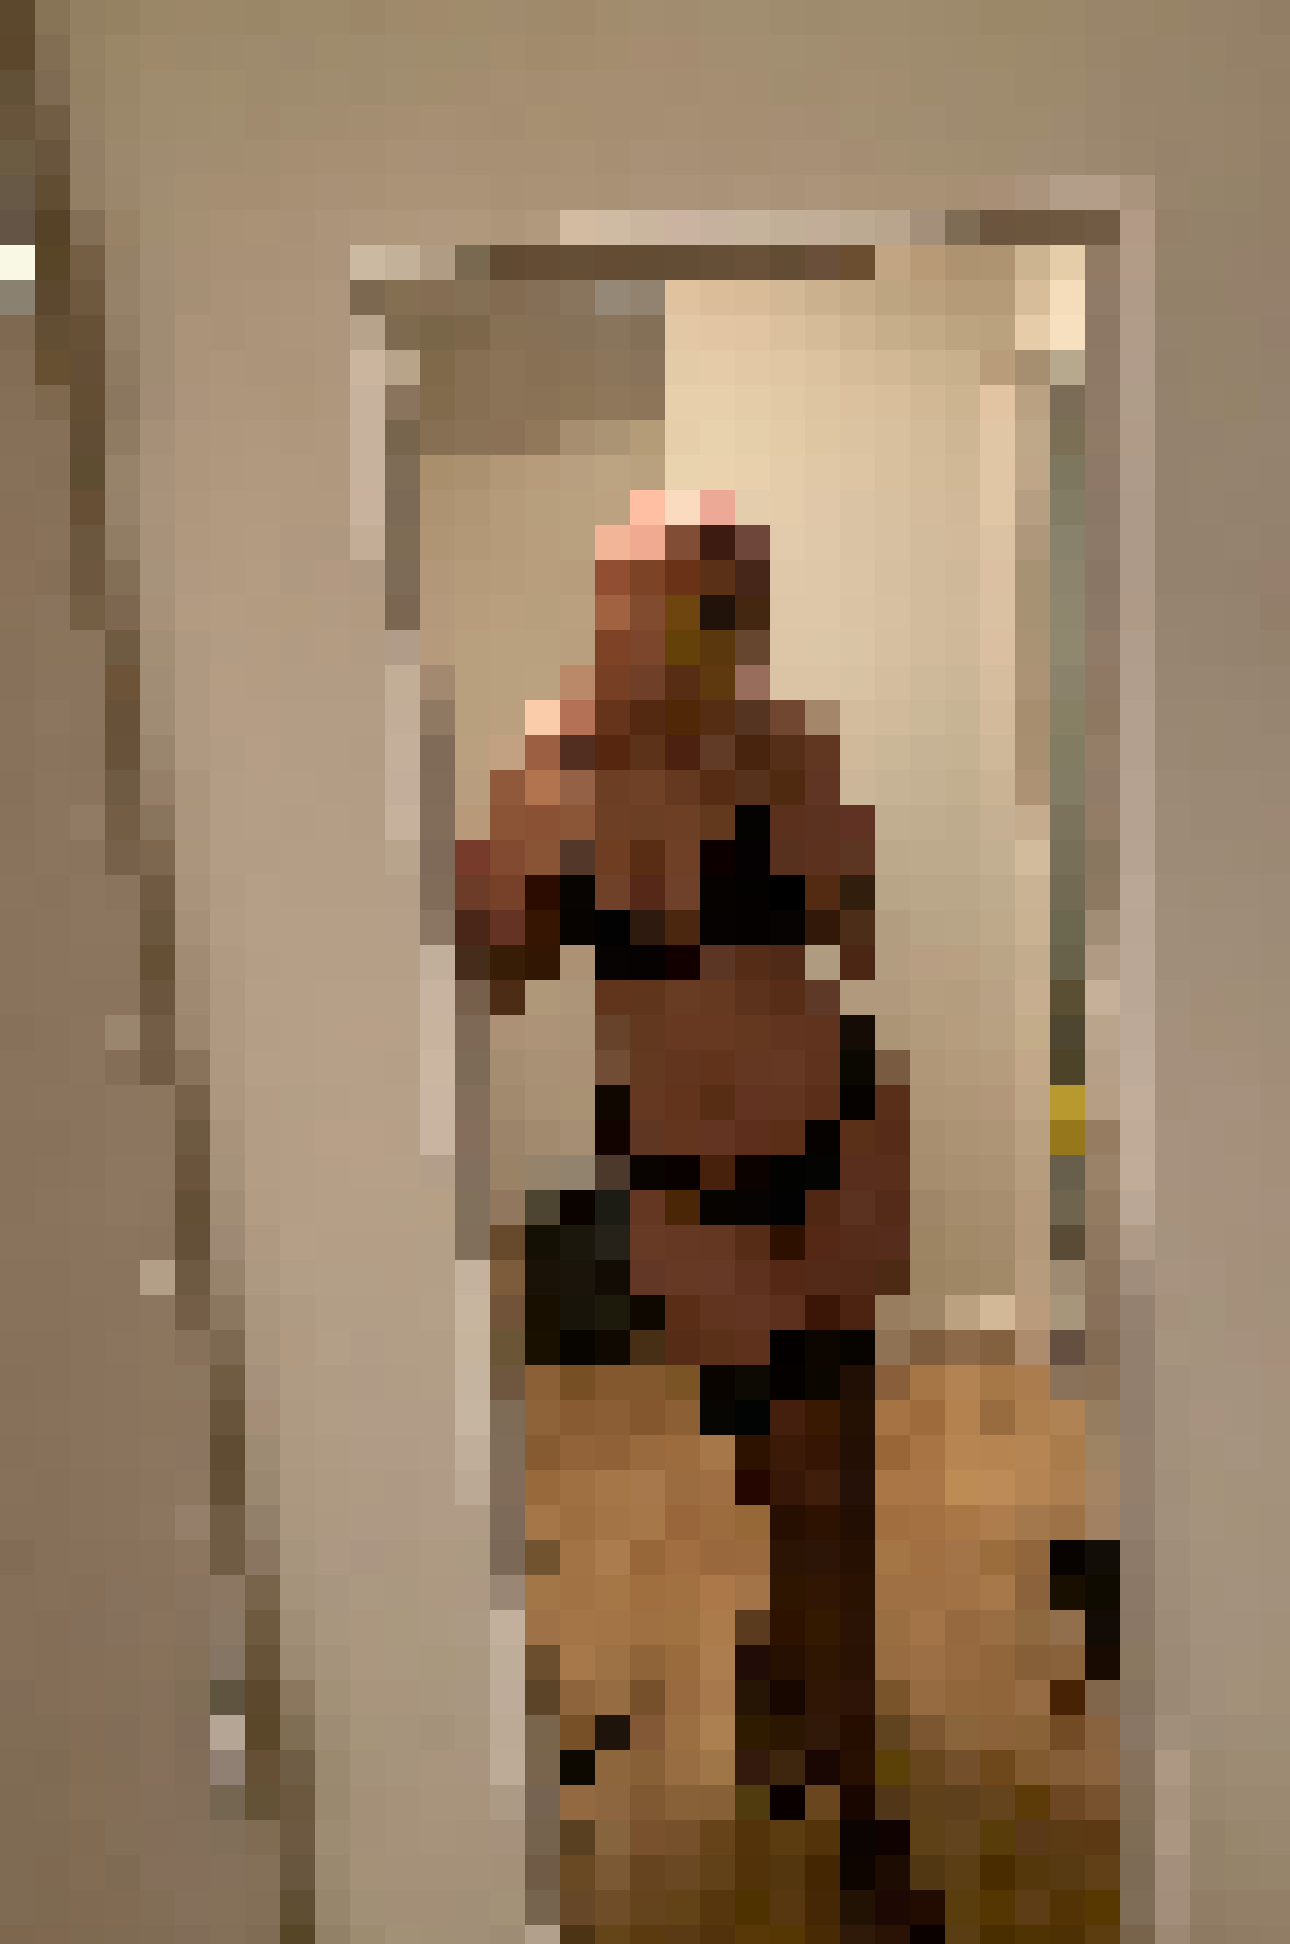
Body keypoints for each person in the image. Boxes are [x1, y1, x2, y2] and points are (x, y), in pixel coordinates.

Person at [456, 488, 943, 1939]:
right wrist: (553, 829)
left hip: (836, 1138)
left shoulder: (787, 744)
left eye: (732, 601)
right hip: (688, 1180)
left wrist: (779, 796)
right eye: (680, 597)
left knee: (830, 1476)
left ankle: (838, 1769)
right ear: (616, 607)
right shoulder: (556, 767)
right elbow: (493, 972)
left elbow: (853, 924)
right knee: (787, 1468)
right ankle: (801, 1711)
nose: (708, 628)